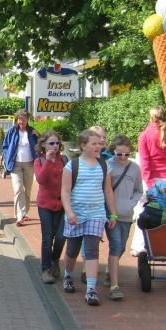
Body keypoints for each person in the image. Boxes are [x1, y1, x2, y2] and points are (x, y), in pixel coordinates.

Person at [60, 129, 119, 306]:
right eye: (93, 144)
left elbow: (108, 191)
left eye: (99, 143)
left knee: (92, 249)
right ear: (83, 146)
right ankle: (68, 276)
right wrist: (69, 212)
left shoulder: (104, 166)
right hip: (76, 214)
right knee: (72, 250)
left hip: (96, 214)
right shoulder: (72, 166)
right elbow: (65, 191)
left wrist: (113, 213)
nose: (98, 146)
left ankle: (91, 289)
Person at [130, 106, 166, 258]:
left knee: (143, 212)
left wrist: (151, 183)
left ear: (151, 117)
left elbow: (145, 162)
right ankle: (164, 247)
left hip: (150, 180)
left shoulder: (144, 135)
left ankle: (140, 247)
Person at [105, 135, 143, 300]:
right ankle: (114, 285)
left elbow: (139, 190)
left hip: (127, 214)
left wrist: (131, 203)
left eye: (126, 154)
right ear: (113, 151)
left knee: (121, 247)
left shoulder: (134, 168)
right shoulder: (107, 166)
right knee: (116, 245)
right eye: (119, 154)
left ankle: (109, 270)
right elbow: (104, 189)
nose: (122, 157)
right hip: (111, 213)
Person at [33, 131, 67, 284]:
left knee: (61, 237)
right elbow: (41, 179)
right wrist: (47, 160)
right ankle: (46, 269)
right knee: (47, 238)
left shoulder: (64, 160)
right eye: (51, 143)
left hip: (62, 204)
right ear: (43, 145)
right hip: (45, 205)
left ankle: (55, 260)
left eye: (57, 143)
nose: (55, 146)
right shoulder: (39, 161)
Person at [2, 109, 39, 225]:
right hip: (15, 164)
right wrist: (7, 157)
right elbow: (5, 146)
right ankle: (19, 215)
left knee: (27, 191)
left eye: (23, 118)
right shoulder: (12, 131)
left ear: (27, 119)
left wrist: (38, 136)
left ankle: (25, 212)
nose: (21, 121)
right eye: (19, 119)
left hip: (29, 164)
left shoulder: (32, 131)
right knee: (18, 189)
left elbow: (40, 145)